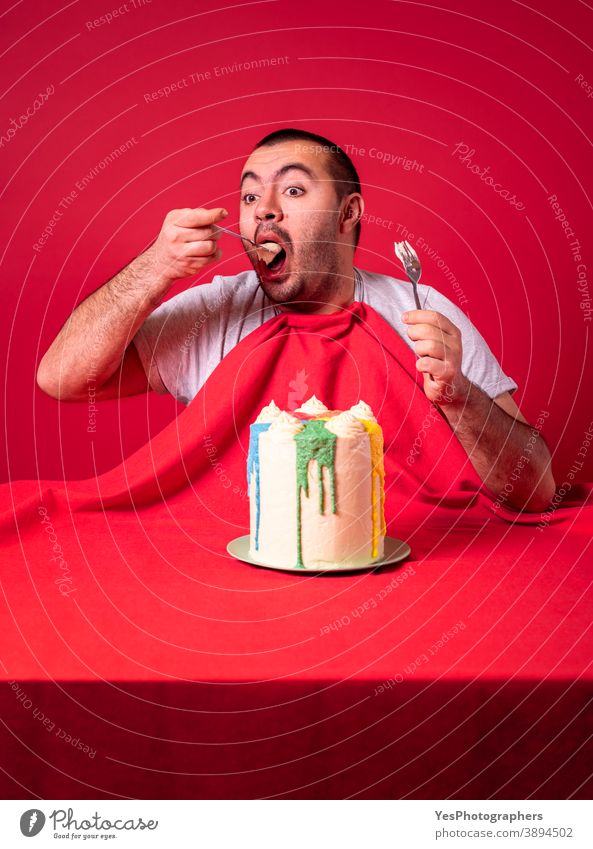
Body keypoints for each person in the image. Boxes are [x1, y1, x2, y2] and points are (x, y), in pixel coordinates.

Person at [37, 128, 555, 511]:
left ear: (349, 212)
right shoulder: (215, 312)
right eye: (249, 195)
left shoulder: (423, 313)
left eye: (293, 191)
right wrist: (153, 267)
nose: (264, 210)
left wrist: (460, 395)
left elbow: (536, 491)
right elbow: (60, 378)